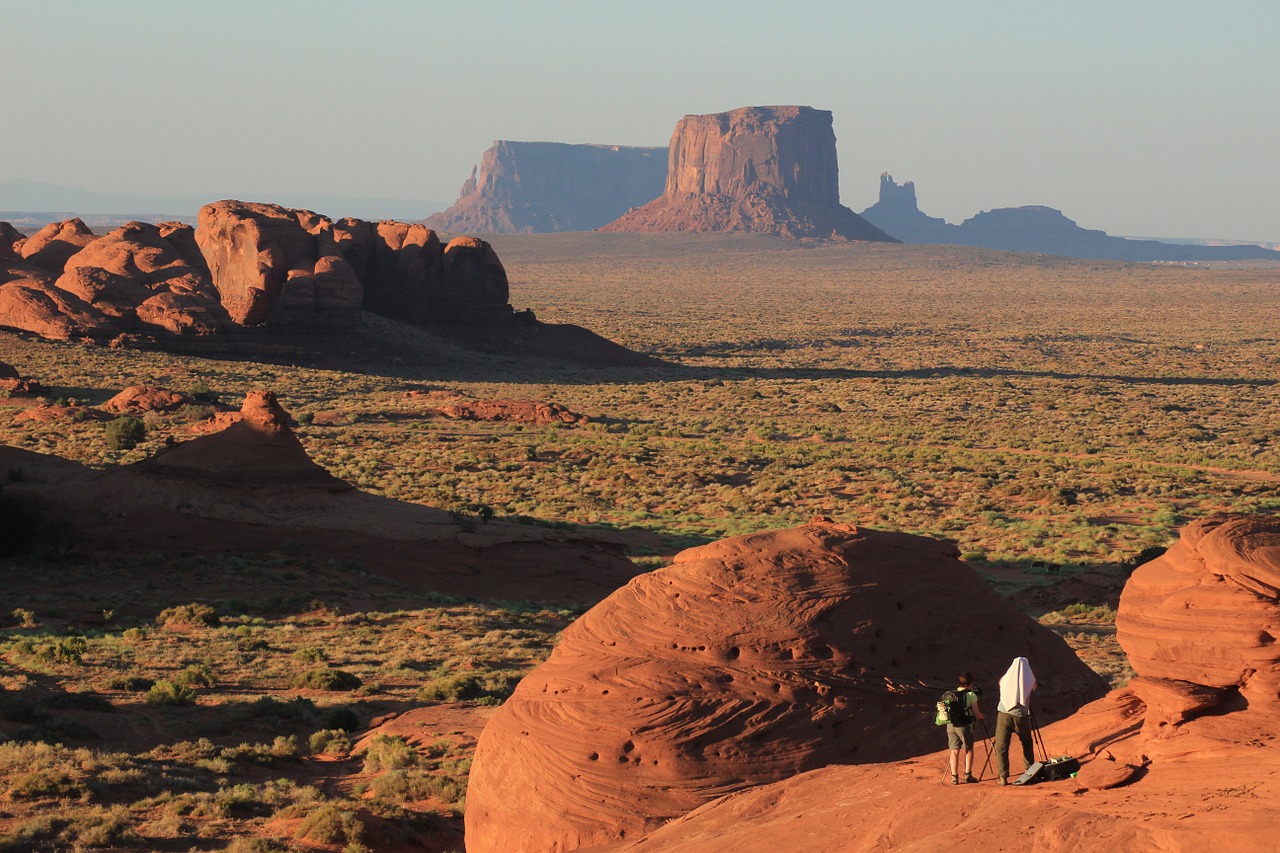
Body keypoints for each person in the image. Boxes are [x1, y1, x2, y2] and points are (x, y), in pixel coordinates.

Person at [993, 656, 1037, 785]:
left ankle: (1003, 777)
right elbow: (1034, 688)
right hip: (1021, 716)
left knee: (1001, 746)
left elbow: (1000, 682)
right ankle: (1029, 771)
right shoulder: (1030, 680)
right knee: (1027, 742)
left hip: (1004, 714)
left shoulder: (1005, 679)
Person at [947, 671, 984, 785]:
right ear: (970, 683)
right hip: (963, 725)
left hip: (950, 725)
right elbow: (976, 713)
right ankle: (968, 775)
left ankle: (954, 777)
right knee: (969, 749)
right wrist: (981, 716)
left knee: (954, 751)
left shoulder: (952, 693)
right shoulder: (971, 695)